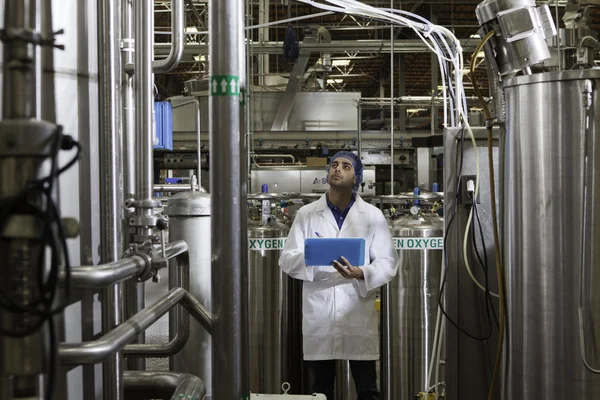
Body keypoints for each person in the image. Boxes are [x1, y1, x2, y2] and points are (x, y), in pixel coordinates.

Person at [279, 151, 399, 400]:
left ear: (356, 177)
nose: (337, 169)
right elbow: (287, 259)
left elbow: (388, 262)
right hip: (319, 312)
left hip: (357, 310)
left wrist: (362, 272)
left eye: (345, 166)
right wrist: (314, 258)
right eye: (333, 165)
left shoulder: (372, 216)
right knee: (320, 390)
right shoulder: (307, 214)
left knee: (367, 389)